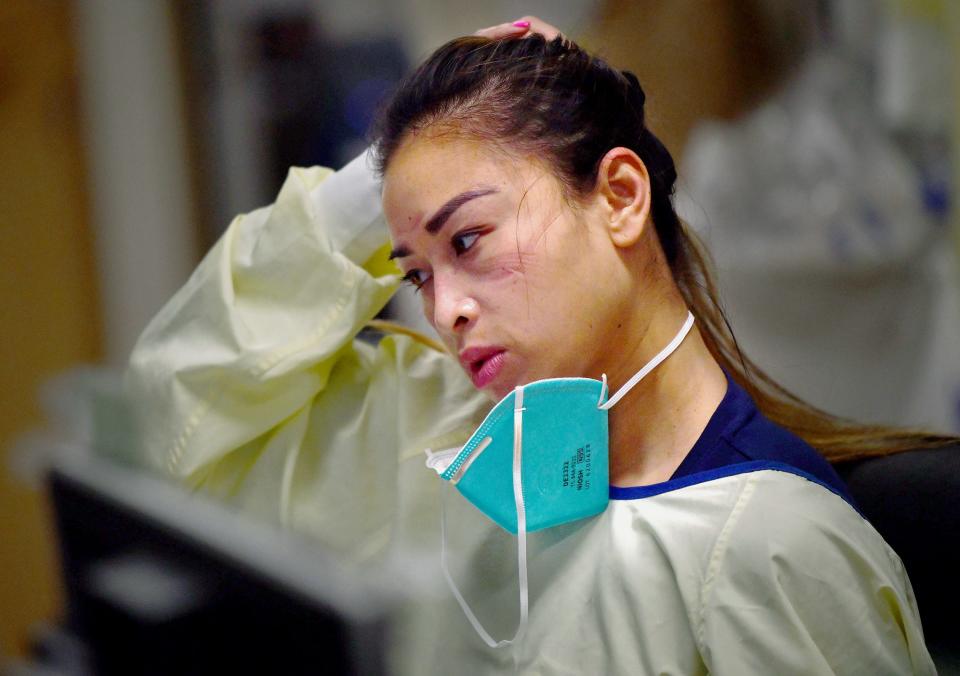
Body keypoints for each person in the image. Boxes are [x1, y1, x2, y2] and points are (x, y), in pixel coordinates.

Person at [126, 17, 948, 674]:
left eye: (471, 240)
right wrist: (374, 184)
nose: (443, 309)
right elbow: (175, 420)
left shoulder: (771, 549)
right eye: (416, 272)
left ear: (621, 197)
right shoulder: (463, 460)